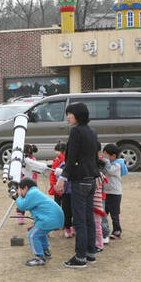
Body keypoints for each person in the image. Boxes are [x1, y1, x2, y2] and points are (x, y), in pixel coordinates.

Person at [54, 102, 99, 269]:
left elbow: (71, 159)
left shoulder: (76, 131)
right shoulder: (92, 132)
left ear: (78, 115)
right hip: (91, 180)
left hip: (79, 181)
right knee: (89, 219)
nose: (68, 117)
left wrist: (62, 178)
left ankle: (80, 258)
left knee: (79, 221)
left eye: (70, 114)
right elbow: (95, 157)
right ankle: (90, 254)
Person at [15, 178, 64, 266]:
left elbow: (22, 206)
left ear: (25, 188)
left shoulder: (32, 193)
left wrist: (17, 197)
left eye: (20, 190)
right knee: (40, 233)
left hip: (50, 219)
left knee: (33, 235)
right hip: (54, 218)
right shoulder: (35, 192)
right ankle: (45, 252)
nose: (20, 192)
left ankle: (39, 258)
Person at [100, 143, 125, 241]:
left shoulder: (117, 164)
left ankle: (117, 230)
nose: (104, 156)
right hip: (106, 193)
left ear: (113, 156)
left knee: (115, 214)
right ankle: (103, 230)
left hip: (115, 194)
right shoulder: (107, 163)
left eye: (106, 154)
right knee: (103, 213)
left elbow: (108, 171)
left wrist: (103, 162)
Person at [49, 141, 74, 238]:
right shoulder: (57, 161)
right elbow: (53, 174)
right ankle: (62, 224)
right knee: (60, 207)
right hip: (60, 188)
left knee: (68, 208)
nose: (57, 154)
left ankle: (67, 225)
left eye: (58, 152)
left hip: (68, 189)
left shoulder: (67, 161)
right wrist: (54, 184)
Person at [17, 144, 39, 225]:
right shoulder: (33, 160)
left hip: (22, 184)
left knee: (21, 200)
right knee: (33, 201)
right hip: (32, 184)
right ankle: (35, 217)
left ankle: (20, 218)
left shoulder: (21, 161)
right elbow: (36, 171)